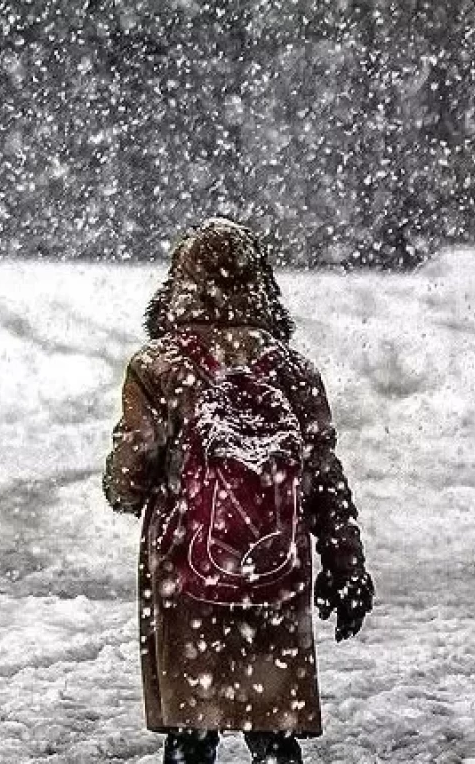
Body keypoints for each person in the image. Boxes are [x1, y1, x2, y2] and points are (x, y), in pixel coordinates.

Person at [103, 218, 373, 764]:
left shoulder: (158, 368)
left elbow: (134, 469)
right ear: (261, 284)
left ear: (178, 286)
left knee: (191, 727)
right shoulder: (293, 371)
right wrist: (345, 566)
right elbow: (323, 476)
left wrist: (123, 489)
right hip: (275, 566)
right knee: (273, 728)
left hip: (186, 568)